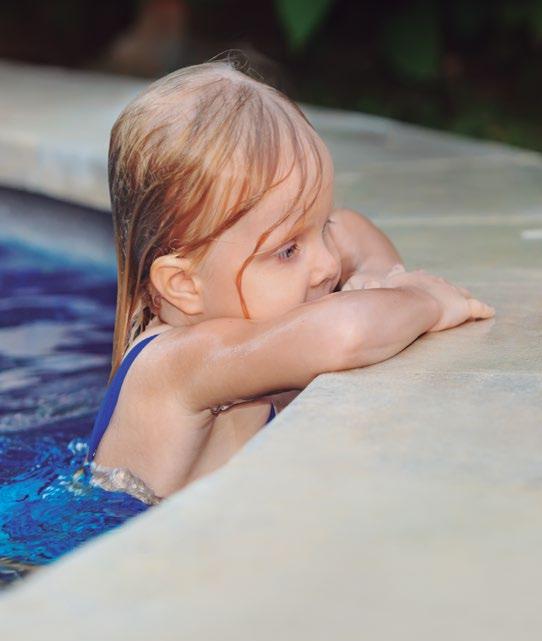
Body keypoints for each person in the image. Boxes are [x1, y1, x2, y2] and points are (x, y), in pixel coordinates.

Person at [87, 60, 494, 504]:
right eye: (288, 250)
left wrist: (379, 273)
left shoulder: (250, 309)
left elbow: (351, 228)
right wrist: (421, 297)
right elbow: (344, 332)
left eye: (318, 230)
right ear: (184, 284)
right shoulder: (176, 365)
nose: (326, 265)